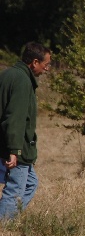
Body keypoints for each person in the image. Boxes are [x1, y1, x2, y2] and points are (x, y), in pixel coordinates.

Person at [1, 42, 51, 221]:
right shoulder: (22, 81)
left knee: (31, 183)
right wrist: (14, 150)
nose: (47, 69)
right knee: (15, 190)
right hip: (17, 147)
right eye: (46, 65)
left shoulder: (7, 74)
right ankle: (5, 226)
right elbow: (15, 117)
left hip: (6, 142)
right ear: (35, 62)